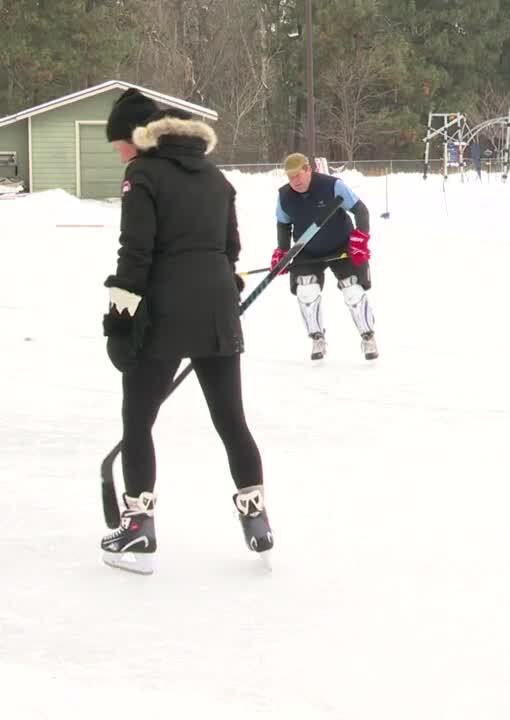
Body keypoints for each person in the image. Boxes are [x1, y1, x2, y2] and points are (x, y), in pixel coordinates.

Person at [99, 89, 271, 574]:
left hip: (164, 312)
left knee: (137, 419)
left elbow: (134, 254)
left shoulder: (143, 176)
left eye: (119, 145)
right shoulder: (215, 177)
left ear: (137, 138)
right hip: (218, 311)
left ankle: (137, 529)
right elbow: (230, 248)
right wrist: (221, 285)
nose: (119, 155)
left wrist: (119, 320)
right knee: (230, 419)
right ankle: (256, 518)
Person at [273, 153, 378, 361]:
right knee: (306, 290)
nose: (295, 181)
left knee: (352, 289)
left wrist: (360, 238)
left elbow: (361, 210)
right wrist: (282, 251)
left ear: (308, 169)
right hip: (307, 250)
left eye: (299, 175)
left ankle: (368, 336)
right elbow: (283, 224)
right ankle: (317, 337)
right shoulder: (284, 196)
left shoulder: (332, 186)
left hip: (341, 248)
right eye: (291, 177)